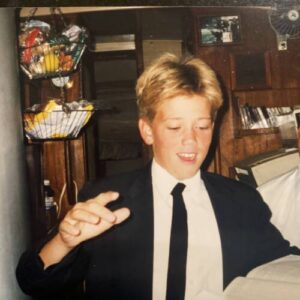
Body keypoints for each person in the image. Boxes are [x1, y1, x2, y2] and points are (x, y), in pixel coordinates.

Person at [16, 53, 300, 300]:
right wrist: (65, 241)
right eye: (175, 128)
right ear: (147, 131)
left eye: (202, 126)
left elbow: (280, 266)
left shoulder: (241, 200)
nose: (191, 141)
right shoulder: (108, 201)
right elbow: (32, 282)